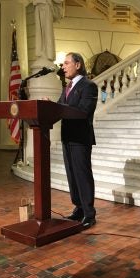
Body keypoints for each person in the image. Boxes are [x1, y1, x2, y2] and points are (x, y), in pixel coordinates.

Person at [57, 52, 98, 229]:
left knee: (82, 175)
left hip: (80, 138)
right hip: (67, 138)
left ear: (78, 64)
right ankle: (79, 208)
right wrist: (47, 106)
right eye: (63, 64)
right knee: (72, 176)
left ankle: (89, 213)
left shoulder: (89, 86)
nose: (63, 67)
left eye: (66, 63)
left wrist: (59, 107)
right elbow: (58, 108)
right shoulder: (66, 87)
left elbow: (84, 110)